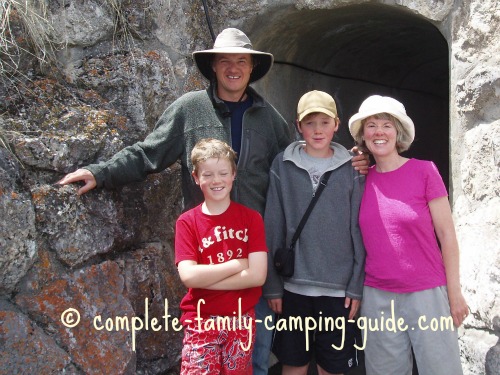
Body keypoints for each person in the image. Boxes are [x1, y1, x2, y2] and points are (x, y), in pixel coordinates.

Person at [57, 28, 369, 374]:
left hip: (255, 256)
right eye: (225, 61)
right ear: (213, 67)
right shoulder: (190, 110)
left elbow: (307, 158)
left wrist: (354, 160)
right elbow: (149, 153)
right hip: (208, 254)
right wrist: (101, 173)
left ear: (252, 69)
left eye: (241, 61)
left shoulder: (269, 118)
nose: (233, 68)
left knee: (257, 356)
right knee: (207, 358)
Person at [348, 95, 469, 375]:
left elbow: (447, 234)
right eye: (372, 125)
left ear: (398, 132)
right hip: (377, 296)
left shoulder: (424, 171)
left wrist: (455, 293)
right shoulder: (359, 178)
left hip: (427, 293)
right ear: (363, 136)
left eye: (387, 125)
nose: (379, 132)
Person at [263, 90, 366, 375]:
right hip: (293, 288)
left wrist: (356, 285)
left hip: (338, 292)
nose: (317, 130)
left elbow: (358, 229)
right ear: (298, 125)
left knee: (331, 367)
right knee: (293, 365)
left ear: (337, 124)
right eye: (310, 123)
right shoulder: (282, 165)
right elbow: (273, 226)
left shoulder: (353, 168)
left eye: (324, 122)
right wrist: (272, 285)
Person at [175, 138, 267, 374]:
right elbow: (189, 276)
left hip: (240, 319)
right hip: (200, 320)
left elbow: (257, 276)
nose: (216, 180)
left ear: (233, 174)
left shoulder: (251, 218)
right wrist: (237, 264)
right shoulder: (187, 222)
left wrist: (206, 279)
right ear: (196, 177)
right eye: (207, 174)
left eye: (223, 172)